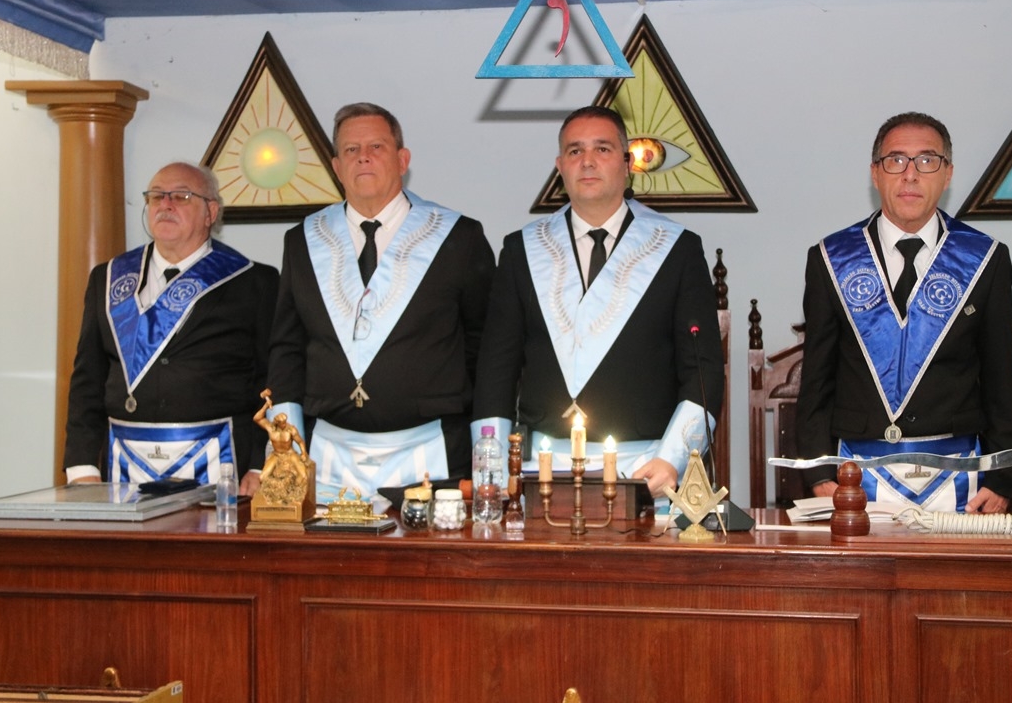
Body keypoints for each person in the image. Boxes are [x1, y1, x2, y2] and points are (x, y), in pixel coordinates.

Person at [472, 105, 724, 498]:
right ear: (560, 167)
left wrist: (672, 459)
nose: (587, 161)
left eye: (602, 149)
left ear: (627, 163)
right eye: (575, 151)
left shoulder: (678, 249)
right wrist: (492, 462)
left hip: (645, 466)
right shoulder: (522, 250)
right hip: (543, 466)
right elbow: (496, 368)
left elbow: (702, 369)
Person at [265, 102, 495, 504]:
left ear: (403, 160)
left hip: (431, 451)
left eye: (376, 146)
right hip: (327, 454)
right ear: (337, 167)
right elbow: (287, 348)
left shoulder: (459, 237)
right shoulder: (302, 241)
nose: (363, 157)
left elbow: (484, 346)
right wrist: (284, 447)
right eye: (351, 150)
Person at [795, 112, 1012, 513]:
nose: (911, 174)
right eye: (896, 160)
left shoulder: (985, 259)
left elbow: (1000, 377)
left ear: (947, 174)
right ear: (875, 173)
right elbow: (816, 378)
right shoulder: (831, 258)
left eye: (927, 160)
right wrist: (818, 474)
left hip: (959, 479)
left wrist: (1003, 478)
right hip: (854, 476)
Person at [64, 162, 279, 486]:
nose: (165, 204)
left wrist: (262, 465)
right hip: (122, 463)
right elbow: (88, 379)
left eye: (180, 196)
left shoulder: (254, 282)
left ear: (210, 212)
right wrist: (82, 467)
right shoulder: (108, 279)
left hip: (220, 462)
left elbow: (271, 380)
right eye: (156, 196)